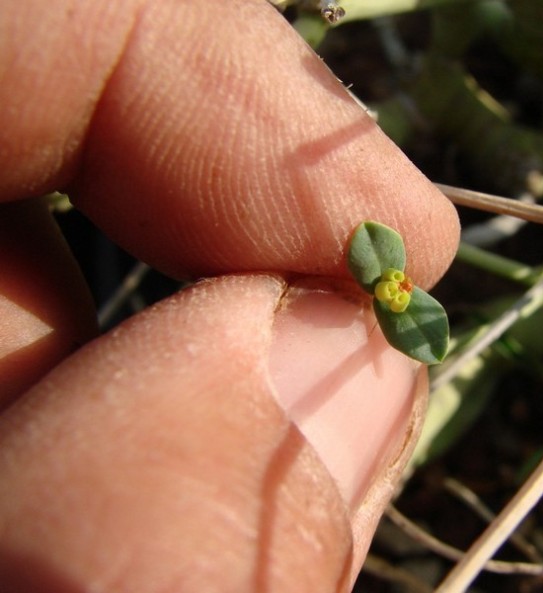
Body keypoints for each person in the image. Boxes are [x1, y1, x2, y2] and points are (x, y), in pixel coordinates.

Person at [0, 1, 460, 590]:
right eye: (393, 285)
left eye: (394, 288)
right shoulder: (378, 271)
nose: (397, 288)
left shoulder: (396, 288)